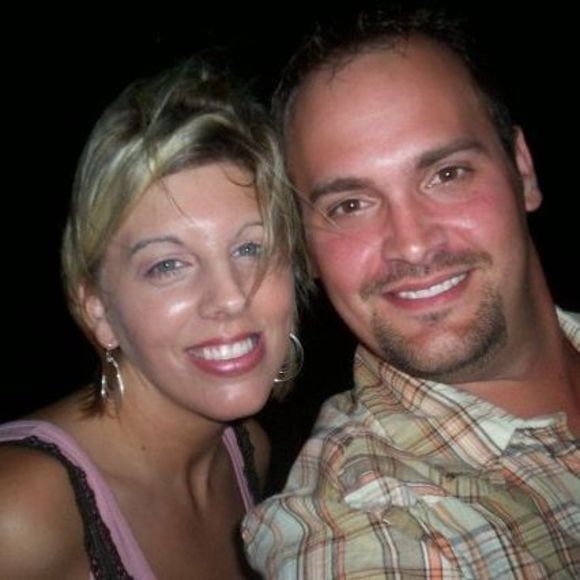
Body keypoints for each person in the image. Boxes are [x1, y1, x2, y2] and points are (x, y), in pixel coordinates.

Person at [243, 6, 580, 578]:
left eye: (446, 174)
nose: (413, 244)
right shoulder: (362, 521)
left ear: (522, 169)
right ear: (307, 251)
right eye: (350, 205)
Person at [0, 59, 308, 578]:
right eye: (168, 265)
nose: (230, 297)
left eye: (252, 248)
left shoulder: (246, 451)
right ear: (98, 309)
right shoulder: (21, 510)